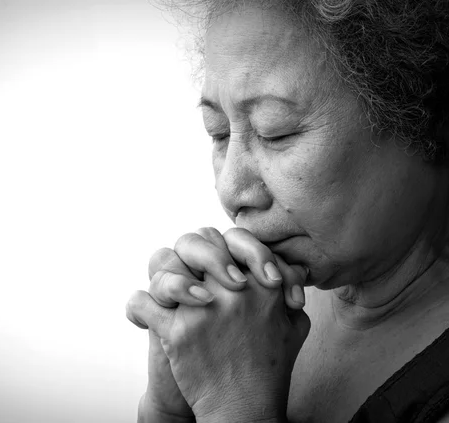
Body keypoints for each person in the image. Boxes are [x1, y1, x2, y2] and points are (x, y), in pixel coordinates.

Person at [125, 1, 449, 422]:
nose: (230, 189)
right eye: (219, 132)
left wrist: (233, 406)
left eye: (274, 132)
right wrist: (170, 410)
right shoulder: (253, 309)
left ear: (422, 116)